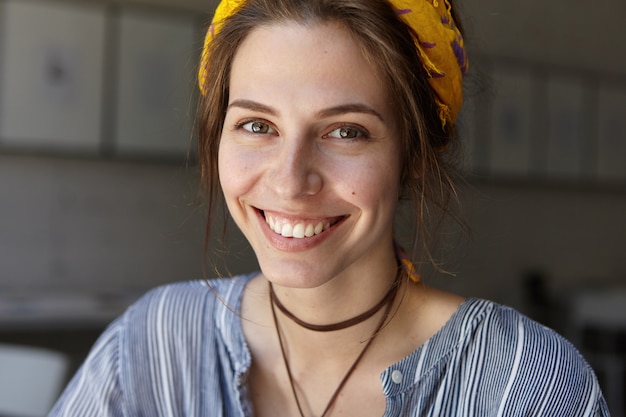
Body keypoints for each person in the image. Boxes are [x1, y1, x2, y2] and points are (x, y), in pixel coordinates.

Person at [49, 0, 609, 416]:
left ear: (413, 153)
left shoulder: (522, 383)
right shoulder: (152, 345)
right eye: (257, 125)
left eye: (346, 131)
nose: (291, 181)